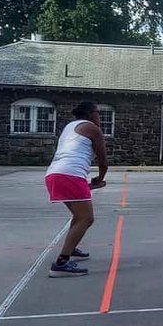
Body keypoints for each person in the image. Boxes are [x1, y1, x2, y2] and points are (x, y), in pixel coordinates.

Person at [45, 101, 108, 277]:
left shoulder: (70, 127)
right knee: (86, 219)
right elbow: (103, 161)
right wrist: (100, 179)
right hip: (69, 174)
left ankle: (70, 249)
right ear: (89, 114)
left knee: (78, 216)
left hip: (54, 174)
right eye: (97, 113)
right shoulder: (93, 129)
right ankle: (61, 264)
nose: (99, 117)